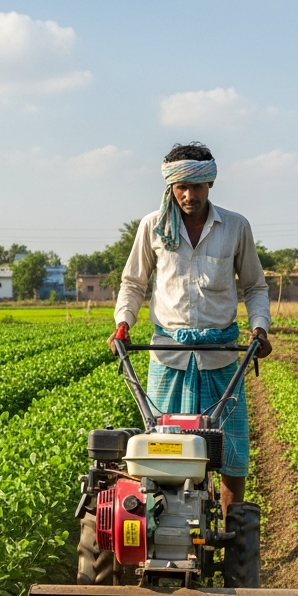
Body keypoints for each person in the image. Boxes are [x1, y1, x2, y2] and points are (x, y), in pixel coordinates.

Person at [108, 141, 272, 518]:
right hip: (167, 353)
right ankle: (166, 523)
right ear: (170, 187)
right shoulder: (153, 226)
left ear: (209, 184)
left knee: (230, 451)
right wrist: (123, 323)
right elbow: (133, 283)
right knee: (162, 446)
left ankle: (231, 529)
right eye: (180, 187)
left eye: (196, 186)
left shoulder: (235, 227)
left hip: (221, 353)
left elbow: (254, 287)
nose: (188, 194)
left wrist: (259, 329)